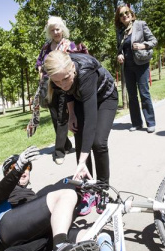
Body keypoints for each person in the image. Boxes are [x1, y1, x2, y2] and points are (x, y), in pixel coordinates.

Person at [0, 146, 97, 251]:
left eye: (27, 168)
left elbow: (58, 200)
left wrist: (78, 186)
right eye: (13, 167)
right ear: (6, 173)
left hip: (31, 237)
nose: (24, 171)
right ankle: (60, 247)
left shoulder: (33, 197)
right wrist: (17, 169)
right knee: (67, 194)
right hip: (8, 225)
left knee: (89, 237)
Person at [43, 50, 118, 215]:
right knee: (79, 137)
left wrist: (82, 160)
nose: (62, 84)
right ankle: (89, 191)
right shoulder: (61, 76)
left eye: (65, 79)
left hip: (105, 97)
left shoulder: (85, 72)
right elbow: (67, 91)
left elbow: (91, 122)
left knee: (98, 142)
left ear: (72, 68)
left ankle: (102, 190)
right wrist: (72, 115)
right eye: (57, 81)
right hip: (80, 98)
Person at [27, 16, 75, 165]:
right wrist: (40, 70)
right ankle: (66, 144)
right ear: (49, 32)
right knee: (55, 117)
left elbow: (76, 61)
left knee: (61, 117)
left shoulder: (69, 45)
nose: (56, 32)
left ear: (63, 30)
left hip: (64, 85)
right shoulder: (46, 47)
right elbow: (39, 62)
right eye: (52, 30)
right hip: (49, 86)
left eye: (58, 29)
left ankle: (59, 151)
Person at [115, 5, 157, 133]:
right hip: (127, 67)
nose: (125, 15)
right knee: (132, 96)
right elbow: (119, 48)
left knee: (144, 93)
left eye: (126, 12)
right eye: (121, 15)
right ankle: (137, 123)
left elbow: (153, 41)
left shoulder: (140, 25)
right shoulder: (120, 31)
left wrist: (142, 45)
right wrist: (119, 55)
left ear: (131, 13)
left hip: (141, 65)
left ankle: (150, 122)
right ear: (120, 19)